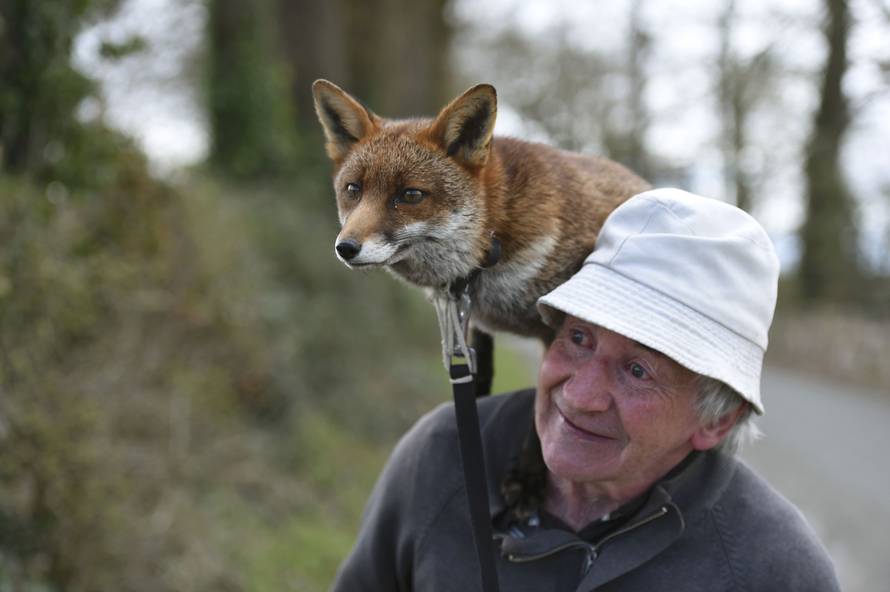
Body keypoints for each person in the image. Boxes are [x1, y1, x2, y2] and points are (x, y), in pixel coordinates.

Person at [331, 188, 841, 591]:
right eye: (579, 338)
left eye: (638, 371)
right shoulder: (444, 457)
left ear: (718, 419)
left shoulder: (774, 570)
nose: (579, 396)